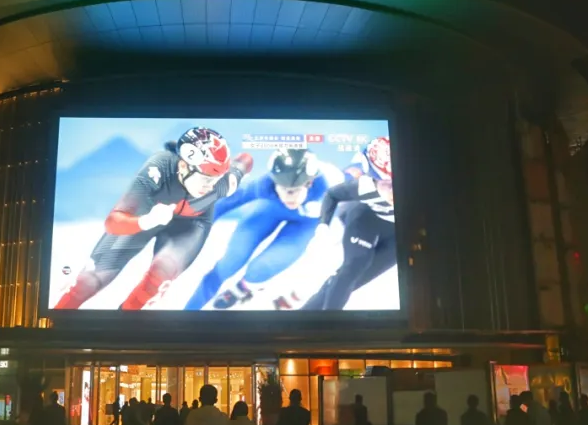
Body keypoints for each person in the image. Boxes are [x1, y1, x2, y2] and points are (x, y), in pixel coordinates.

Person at [52, 127, 252, 310]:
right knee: (88, 281)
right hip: (146, 216)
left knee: (159, 275)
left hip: (190, 226)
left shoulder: (223, 183)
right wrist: (145, 221)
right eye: (206, 178)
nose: (211, 186)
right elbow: (112, 223)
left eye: (217, 179)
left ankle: (121, 329)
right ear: (183, 165)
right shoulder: (158, 169)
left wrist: (240, 163)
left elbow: (244, 162)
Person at [185, 147, 340, 310]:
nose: (288, 196)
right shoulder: (265, 185)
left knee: (261, 269)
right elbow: (225, 203)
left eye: (294, 190)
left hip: (306, 223)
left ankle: (243, 288)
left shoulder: (332, 186)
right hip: (272, 208)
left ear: (310, 183)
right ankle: (188, 312)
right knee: (229, 263)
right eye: (282, 187)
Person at [302, 137, 396, 311]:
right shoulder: (364, 186)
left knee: (356, 280)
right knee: (352, 271)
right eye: (387, 184)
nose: (393, 192)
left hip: (396, 235)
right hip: (367, 220)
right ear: (374, 179)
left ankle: (309, 315)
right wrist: (323, 224)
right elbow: (332, 194)